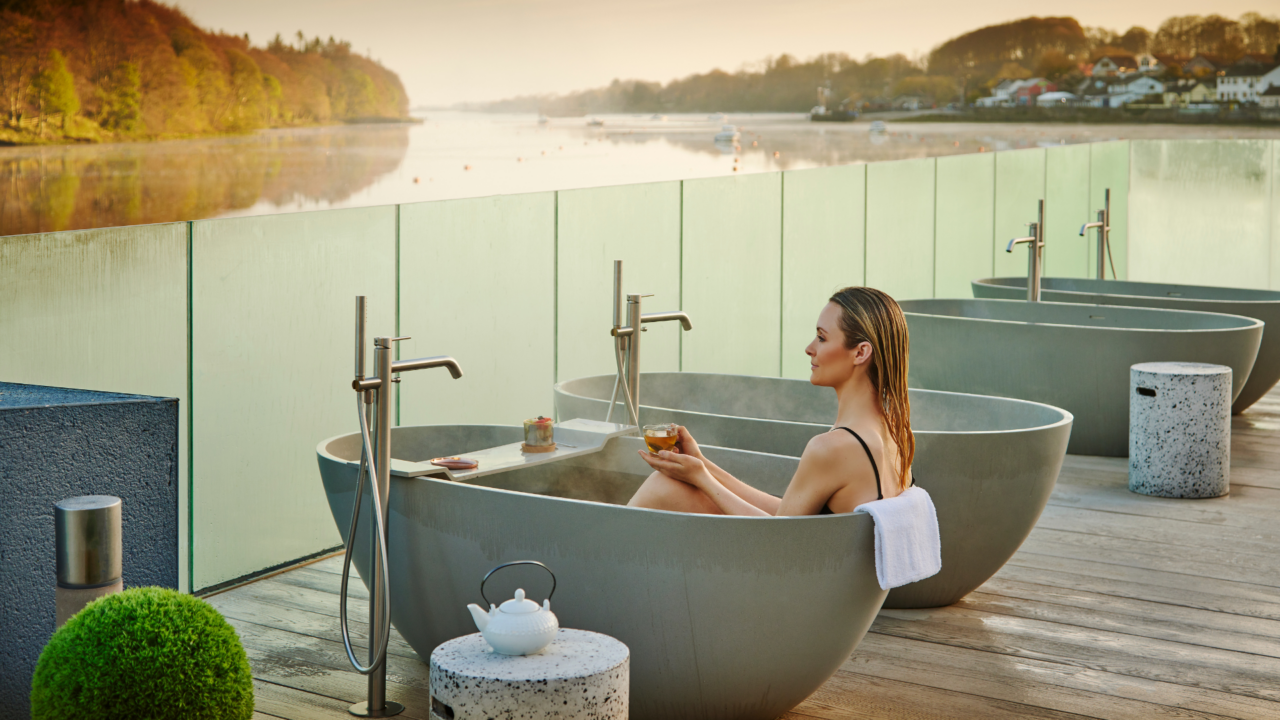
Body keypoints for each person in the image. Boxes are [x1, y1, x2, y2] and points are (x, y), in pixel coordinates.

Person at [627, 286, 914, 516]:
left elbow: (777, 540)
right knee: (672, 484)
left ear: (860, 353)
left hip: (803, 583)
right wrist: (702, 465)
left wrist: (701, 478)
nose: (809, 349)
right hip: (845, 581)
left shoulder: (833, 448)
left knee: (662, 487)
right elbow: (788, 516)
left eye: (822, 338)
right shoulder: (895, 434)